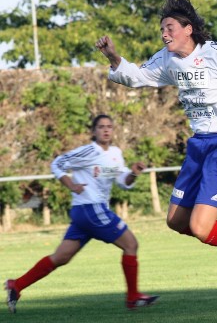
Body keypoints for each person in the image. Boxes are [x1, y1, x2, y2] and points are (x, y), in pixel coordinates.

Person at [95, 0, 217, 285]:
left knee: (199, 226)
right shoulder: (168, 59)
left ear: (188, 29)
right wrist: (114, 57)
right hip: (199, 145)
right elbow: (137, 76)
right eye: (161, 29)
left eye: (169, 27)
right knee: (176, 221)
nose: (164, 33)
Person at [4, 114, 159, 314]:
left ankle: (16, 285)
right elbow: (57, 164)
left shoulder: (115, 153)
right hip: (91, 208)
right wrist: (71, 184)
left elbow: (123, 181)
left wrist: (134, 173)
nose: (106, 130)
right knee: (131, 244)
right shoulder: (87, 151)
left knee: (61, 257)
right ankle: (133, 297)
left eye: (109, 127)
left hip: (85, 213)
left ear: (113, 130)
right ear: (94, 131)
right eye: (101, 126)